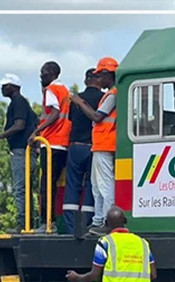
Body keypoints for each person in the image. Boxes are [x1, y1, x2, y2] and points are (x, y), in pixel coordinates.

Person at [69, 57, 119, 237]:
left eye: (100, 76)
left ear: (107, 74)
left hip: (106, 144)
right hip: (101, 144)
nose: (98, 80)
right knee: (97, 186)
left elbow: (97, 117)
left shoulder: (113, 94)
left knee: (105, 185)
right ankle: (98, 220)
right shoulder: (111, 93)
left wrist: (79, 102)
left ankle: (107, 221)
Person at [0, 74, 38, 228]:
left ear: (14, 87)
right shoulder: (21, 103)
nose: (3, 89)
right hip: (23, 150)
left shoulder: (18, 102)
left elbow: (19, 125)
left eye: (6, 86)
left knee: (20, 188)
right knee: (23, 188)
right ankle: (27, 222)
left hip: (21, 151)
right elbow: (36, 120)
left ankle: (23, 224)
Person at [31, 61, 72, 233]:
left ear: (51, 73)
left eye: (43, 72)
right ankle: (51, 220)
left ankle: (48, 222)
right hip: (63, 142)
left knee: (46, 185)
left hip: (51, 142)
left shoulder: (51, 91)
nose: (41, 75)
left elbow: (54, 113)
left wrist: (37, 131)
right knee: (55, 183)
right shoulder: (65, 91)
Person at [63, 68, 105, 235]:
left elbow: (70, 119)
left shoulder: (76, 99)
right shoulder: (104, 99)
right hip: (95, 146)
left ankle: (70, 227)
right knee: (91, 185)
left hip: (76, 146)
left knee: (72, 184)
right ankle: (87, 223)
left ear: (87, 79)